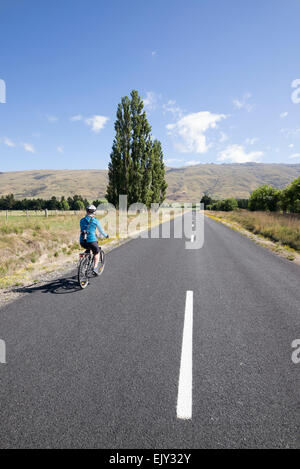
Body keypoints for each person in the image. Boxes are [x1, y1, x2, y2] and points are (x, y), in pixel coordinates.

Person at [80, 204, 109, 275]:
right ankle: (95, 268)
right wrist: (106, 235)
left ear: (86, 211)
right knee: (96, 252)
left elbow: (83, 229)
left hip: (82, 241)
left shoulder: (82, 220)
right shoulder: (95, 221)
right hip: (92, 240)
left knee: (88, 249)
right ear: (94, 212)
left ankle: (84, 264)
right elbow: (101, 231)